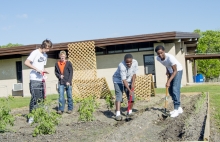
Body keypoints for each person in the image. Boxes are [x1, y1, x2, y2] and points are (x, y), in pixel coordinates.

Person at [24, 39, 53, 123]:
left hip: (41, 79)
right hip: (34, 79)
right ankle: (31, 117)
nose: (48, 50)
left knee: (41, 99)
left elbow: (41, 67)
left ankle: (39, 116)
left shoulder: (45, 56)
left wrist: (44, 70)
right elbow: (26, 62)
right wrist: (36, 69)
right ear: (44, 46)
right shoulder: (35, 52)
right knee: (35, 98)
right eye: (48, 48)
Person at [155, 45, 183, 118]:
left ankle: (176, 109)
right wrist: (167, 71)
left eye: (161, 53)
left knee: (175, 89)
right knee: (170, 91)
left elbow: (175, 70)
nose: (160, 55)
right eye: (158, 53)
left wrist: (168, 81)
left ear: (164, 51)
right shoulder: (158, 58)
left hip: (178, 71)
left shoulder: (170, 58)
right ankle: (179, 108)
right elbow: (166, 65)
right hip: (170, 72)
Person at [113, 54, 138, 121]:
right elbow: (123, 80)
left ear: (132, 60)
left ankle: (129, 112)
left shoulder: (135, 62)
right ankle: (118, 114)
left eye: (130, 62)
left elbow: (134, 74)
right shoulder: (121, 66)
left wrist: (133, 83)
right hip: (118, 80)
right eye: (127, 62)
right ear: (124, 61)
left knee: (131, 96)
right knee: (119, 96)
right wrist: (129, 90)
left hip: (129, 80)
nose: (129, 64)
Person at [55, 50, 73, 114]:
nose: (62, 57)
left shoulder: (68, 63)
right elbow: (56, 73)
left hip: (68, 82)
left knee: (69, 96)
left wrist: (69, 81)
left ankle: (70, 109)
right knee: (61, 97)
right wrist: (59, 76)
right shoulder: (57, 64)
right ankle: (61, 109)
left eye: (63, 56)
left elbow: (71, 73)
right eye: (61, 56)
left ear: (65, 56)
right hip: (61, 82)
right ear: (59, 56)